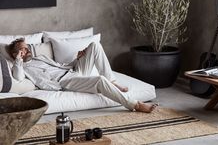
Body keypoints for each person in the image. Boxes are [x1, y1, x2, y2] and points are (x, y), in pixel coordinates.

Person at [7, 38, 157, 113]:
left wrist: (77, 59)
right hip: (65, 82)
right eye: (22, 50)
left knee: (95, 46)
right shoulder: (21, 67)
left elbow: (60, 66)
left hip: (73, 71)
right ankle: (135, 105)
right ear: (15, 54)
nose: (27, 51)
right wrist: (19, 60)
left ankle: (113, 81)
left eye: (27, 48)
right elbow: (18, 77)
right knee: (99, 80)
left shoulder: (40, 57)